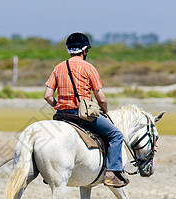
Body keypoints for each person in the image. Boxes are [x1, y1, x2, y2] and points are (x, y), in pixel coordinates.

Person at [44, 32, 129, 188]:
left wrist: (59, 105)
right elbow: (101, 98)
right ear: (84, 51)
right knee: (116, 135)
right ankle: (112, 173)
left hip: (61, 115)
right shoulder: (89, 68)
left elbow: (48, 96)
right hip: (82, 115)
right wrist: (105, 111)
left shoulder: (59, 68)